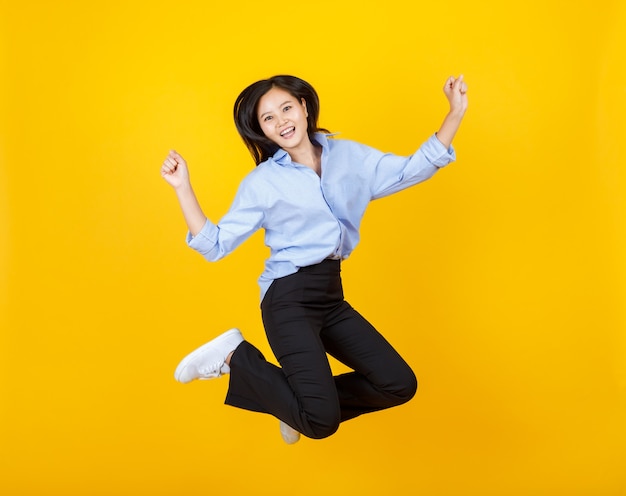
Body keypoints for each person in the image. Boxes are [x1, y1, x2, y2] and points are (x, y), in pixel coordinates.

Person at [161, 74, 468, 444]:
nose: (282, 121)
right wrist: (183, 188)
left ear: (304, 107)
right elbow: (216, 245)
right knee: (321, 423)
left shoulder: (350, 157)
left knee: (398, 384)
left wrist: (455, 112)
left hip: (330, 297)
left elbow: (412, 169)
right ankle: (233, 356)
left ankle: (291, 406)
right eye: (268, 119)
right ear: (262, 131)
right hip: (287, 299)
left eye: (286, 108)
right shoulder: (264, 182)